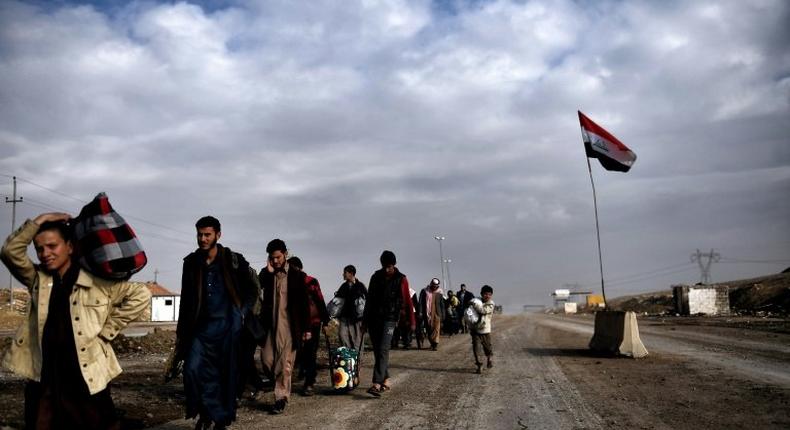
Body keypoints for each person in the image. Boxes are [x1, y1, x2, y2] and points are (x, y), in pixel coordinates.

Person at [1, 212, 150, 429]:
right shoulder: (37, 279)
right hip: (46, 377)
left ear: (70, 247)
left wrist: (107, 331)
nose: (45, 253)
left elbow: (141, 294)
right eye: (40, 249)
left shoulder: (97, 281)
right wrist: (41, 220)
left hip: (86, 377)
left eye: (52, 246)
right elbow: (9, 251)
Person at [175, 216, 258, 430]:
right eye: (199, 234)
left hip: (227, 329)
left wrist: (242, 312)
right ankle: (205, 411)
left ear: (218, 235)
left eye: (207, 235)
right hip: (200, 331)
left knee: (224, 376)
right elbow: (186, 301)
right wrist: (181, 335)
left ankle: (219, 419)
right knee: (192, 371)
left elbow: (252, 290)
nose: (202, 239)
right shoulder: (191, 263)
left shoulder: (233, 260)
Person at [258, 239, 310, 414]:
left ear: (285, 254)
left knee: (284, 363)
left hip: (289, 326)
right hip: (269, 326)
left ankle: (281, 397)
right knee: (266, 360)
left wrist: (307, 329)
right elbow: (257, 285)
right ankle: (279, 382)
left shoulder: (297, 276)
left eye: (278, 257)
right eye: (272, 258)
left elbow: (304, 304)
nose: (275, 261)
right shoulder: (267, 274)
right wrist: (268, 271)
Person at [362, 250, 414, 397]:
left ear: (394, 265)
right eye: (385, 266)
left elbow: (407, 302)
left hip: (390, 319)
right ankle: (386, 379)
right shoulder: (375, 277)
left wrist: (412, 321)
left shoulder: (401, 279)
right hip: (374, 319)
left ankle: (376, 384)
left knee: (384, 349)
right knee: (378, 350)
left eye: (389, 266)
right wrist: (364, 322)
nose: (387, 269)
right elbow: (369, 301)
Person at [287, 256, 329, 397]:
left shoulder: (310, 281)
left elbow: (320, 300)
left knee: (310, 352)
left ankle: (309, 382)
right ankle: (305, 373)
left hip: (313, 323)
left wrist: (326, 322)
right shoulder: (287, 281)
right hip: (296, 324)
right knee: (302, 352)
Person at [334, 265, 367, 351]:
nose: (343, 274)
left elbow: (367, 302)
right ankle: (347, 359)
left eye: (345, 272)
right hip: (344, 318)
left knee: (357, 341)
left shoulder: (360, 286)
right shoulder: (343, 286)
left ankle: (357, 362)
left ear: (351, 273)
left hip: (357, 319)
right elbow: (337, 301)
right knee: (343, 337)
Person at [470, 285, 496, 374]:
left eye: (489, 294)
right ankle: (479, 365)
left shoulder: (491, 304)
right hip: (475, 329)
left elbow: (483, 311)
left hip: (485, 329)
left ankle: (489, 358)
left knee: (487, 347)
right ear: (481, 294)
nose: (487, 296)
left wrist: (474, 304)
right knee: (476, 347)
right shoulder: (477, 301)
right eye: (485, 294)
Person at [419, 278, 445, 351]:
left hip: (437, 313)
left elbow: (442, 304)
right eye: (433, 285)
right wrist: (420, 312)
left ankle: (435, 344)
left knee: (436, 329)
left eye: (436, 286)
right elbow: (421, 302)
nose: (434, 287)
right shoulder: (424, 291)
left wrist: (443, 314)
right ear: (431, 284)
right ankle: (432, 343)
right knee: (429, 329)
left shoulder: (439, 292)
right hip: (427, 313)